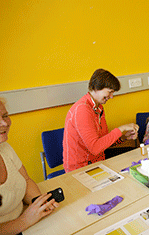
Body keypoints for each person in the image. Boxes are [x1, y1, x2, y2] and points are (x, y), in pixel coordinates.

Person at [0, 99, 59, 234]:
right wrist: (25, 220)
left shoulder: (4, 147)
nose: (4, 123)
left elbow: (25, 180)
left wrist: (39, 203)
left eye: (5, 116)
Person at [63, 69, 139, 172]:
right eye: (110, 92)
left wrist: (124, 137)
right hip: (80, 169)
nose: (111, 97)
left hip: (97, 162)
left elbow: (103, 142)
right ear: (97, 87)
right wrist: (121, 128)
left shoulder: (98, 108)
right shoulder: (82, 110)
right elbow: (95, 148)